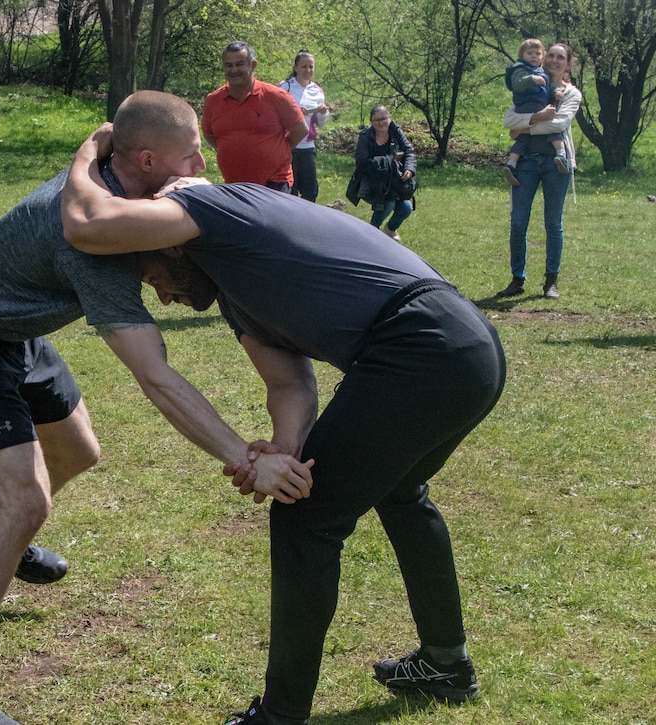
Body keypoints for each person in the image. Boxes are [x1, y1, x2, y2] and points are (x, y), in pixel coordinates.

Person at [62, 95, 506, 724]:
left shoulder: (204, 201)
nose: (155, 289)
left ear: (168, 241)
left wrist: (88, 150)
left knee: (307, 522)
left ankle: (280, 715)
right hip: (465, 347)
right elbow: (289, 382)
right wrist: (283, 451)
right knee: (401, 494)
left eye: (148, 268)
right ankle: (446, 662)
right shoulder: (239, 291)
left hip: (421, 345)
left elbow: (86, 223)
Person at [0, 90, 311, 725]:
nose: (201, 167)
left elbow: (106, 129)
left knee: (78, 452)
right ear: (146, 159)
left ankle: (2, 542)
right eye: (191, 156)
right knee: (26, 501)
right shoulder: (97, 240)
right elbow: (155, 376)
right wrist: (240, 454)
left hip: (15, 334)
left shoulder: (115, 177)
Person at [497, 42, 580, 300]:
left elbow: (560, 122)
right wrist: (532, 119)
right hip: (526, 164)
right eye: (551, 56)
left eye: (560, 57)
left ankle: (551, 281)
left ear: (568, 64)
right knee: (518, 222)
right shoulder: (532, 85)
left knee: (553, 223)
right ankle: (516, 279)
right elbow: (508, 121)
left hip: (557, 164)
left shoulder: (571, 94)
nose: (554, 60)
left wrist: (523, 127)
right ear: (545, 59)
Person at [202, 41, 309, 191]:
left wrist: (277, 150)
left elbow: (300, 129)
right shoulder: (213, 100)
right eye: (229, 65)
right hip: (234, 185)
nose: (234, 70)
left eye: (240, 64)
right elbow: (209, 134)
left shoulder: (276, 97)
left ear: (253, 65)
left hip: (275, 182)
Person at [503, 38, 567, 186]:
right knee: (550, 128)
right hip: (526, 106)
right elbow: (517, 84)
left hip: (536, 110)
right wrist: (531, 79)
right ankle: (561, 154)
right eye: (529, 53)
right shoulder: (520, 70)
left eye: (537, 54)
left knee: (522, 138)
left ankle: (512, 164)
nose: (533, 56)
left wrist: (556, 92)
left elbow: (549, 88)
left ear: (542, 57)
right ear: (521, 56)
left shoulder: (541, 74)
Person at [351, 105, 416, 241]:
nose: (381, 122)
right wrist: (388, 161)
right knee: (389, 203)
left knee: (406, 207)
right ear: (371, 121)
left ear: (390, 118)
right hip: (373, 183)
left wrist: (409, 169)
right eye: (377, 120)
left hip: (394, 182)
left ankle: (390, 229)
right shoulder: (365, 136)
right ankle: (371, 234)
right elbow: (362, 163)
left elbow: (409, 151)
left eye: (384, 118)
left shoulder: (396, 131)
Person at [278, 50, 329, 202]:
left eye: (311, 67)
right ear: (296, 68)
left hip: (308, 146)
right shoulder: (285, 87)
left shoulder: (317, 91)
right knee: (290, 191)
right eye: (304, 67)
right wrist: (293, 113)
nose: (308, 71)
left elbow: (320, 123)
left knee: (310, 191)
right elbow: (274, 115)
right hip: (288, 145)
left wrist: (323, 112)